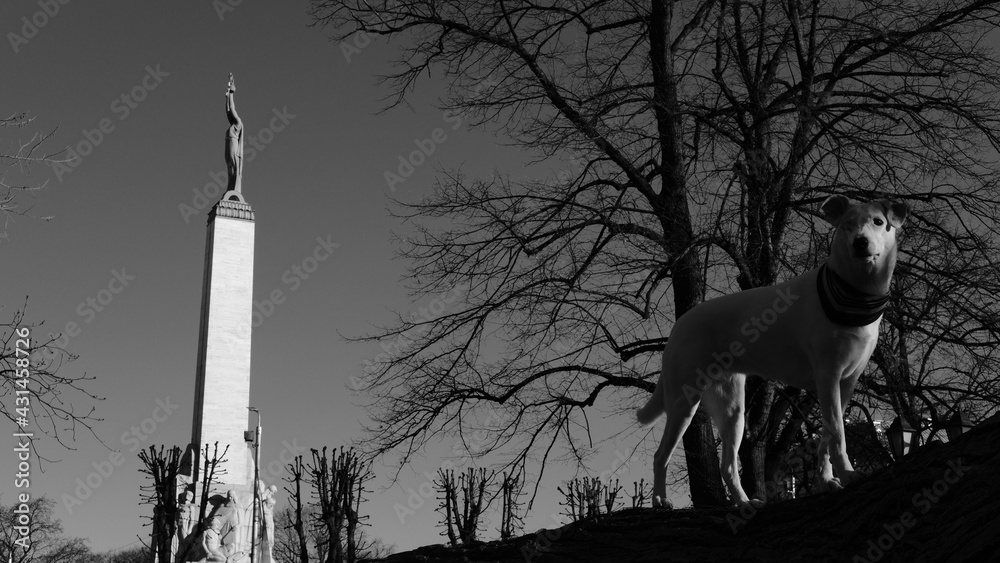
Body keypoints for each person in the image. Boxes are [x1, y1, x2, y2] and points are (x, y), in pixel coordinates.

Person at [224, 74, 243, 194]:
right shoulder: (232, 125)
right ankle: (231, 187)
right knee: (229, 167)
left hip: (233, 145)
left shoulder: (238, 123)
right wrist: (226, 96)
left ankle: (235, 187)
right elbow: (228, 111)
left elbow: (232, 108)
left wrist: (231, 93)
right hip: (228, 144)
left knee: (234, 166)